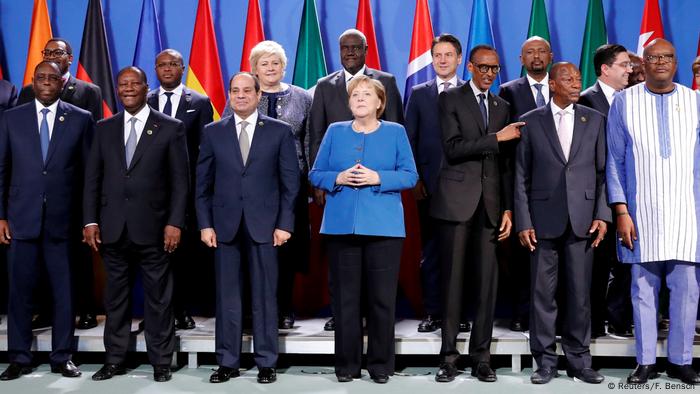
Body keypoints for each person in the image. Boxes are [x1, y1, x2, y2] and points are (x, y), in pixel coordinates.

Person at [309, 75, 417, 384]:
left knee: (382, 299)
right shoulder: (335, 131)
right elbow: (316, 174)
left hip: (384, 228)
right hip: (342, 228)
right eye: (355, 94)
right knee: (345, 301)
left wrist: (377, 178)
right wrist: (337, 178)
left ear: (380, 103)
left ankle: (381, 365)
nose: (360, 99)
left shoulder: (395, 133)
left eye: (367, 94)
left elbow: (410, 176)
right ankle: (346, 366)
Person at [84, 66, 188, 383]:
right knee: (115, 298)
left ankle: (160, 361)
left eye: (134, 83)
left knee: (158, 298)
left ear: (146, 87)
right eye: (122, 84)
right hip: (112, 227)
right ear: (117, 90)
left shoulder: (170, 127)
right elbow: (92, 179)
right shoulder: (103, 127)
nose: (128, 88)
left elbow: (181, 182)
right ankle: (115, 358)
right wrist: (89, 219)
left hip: (155, 228)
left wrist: (174, 223)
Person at [607, 38, 700, 386]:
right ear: (642, 63)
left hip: (687, 214)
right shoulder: (624, 103)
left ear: (676, 63)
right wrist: (621, 211)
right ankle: (645, 361)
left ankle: (680, 360)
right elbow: (614, 161)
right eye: (654, 57)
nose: (660, 62)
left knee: (687, 290)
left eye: (667, 57)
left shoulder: (696, 102)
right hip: (640, 214)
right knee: (642, 290)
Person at [197, 72, 299, 385]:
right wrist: (205, 224)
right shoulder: (213, 132)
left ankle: (266, 362)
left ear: (257, 95)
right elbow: (202, 184)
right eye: (235, 91)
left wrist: (284, 224)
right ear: (228, 95)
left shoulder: (280, 131)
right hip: (224, 227)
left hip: (267, 228)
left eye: (246, 91)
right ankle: (228, 361)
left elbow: (290, 183)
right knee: (227, 297)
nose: (240, 96)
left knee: (265, 296)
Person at [432, 44, 523, 383]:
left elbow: (508, 165)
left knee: (487, 284)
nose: (488, 74)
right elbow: (453, 148)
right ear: (469, 66)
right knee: (453, 283)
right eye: (482, 67)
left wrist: (509, 208)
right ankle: (448, 357)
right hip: (455, 203)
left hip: (491, 206)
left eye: (494, 69)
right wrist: (495, 137)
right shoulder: (449, 99)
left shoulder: (503, 106)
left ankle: (481, 357)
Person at [515, 62, 609, 385]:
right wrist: (523, 220)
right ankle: (544, 361)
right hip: (542, 222)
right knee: (542, 295)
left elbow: (602, 174)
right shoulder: (530, 121)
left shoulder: (595, 120)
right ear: (552, 84)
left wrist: (602, 214)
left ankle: (579, 361)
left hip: (583, 220)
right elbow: (521, 177)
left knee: (580, 295)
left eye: (578, 78)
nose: (574, 83)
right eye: (567, 78)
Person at [0, 61, 93, 381]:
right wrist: (1, 215)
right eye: (41, 78)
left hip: (63, 222)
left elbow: (88, 176)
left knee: (64, 292)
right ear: (33, 81)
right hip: (20, 219)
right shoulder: (12, 118)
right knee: (20, 292)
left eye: (53, 78)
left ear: (61, 83)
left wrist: (88, 220)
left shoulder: (81, 119)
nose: (47, 83)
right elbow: (2, 169)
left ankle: (62, 356)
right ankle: (19, 356)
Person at [309, 28, 404, 332]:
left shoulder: (386, 82)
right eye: (344, 48)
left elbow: (398, 132)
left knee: (378, 278)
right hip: (340, 197)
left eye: (355, 48)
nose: (349, 53)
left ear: (365, 50)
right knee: (341, 270)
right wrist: (323, 184)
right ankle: (342, 318)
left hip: (379, 207)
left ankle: (377, 339)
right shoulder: (325, 86)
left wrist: (380, 177)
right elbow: (315, 134)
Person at [223, 41, 312, 329]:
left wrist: (310, 180)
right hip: (251, 187)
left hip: (291, 185)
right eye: (264, 63)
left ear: (284, 66)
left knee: (285, 248)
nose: (271, 68)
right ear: (254, 69)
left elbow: (309, 140)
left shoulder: (302, 97)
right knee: (251, 246)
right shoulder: (243, 95)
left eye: (276, 63)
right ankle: (251, 311)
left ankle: (283, 309)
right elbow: (226, 138)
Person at [18, 37, 104, 331]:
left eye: (59, 52)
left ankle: (87, 309)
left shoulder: (88, 91)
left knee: (78, 257)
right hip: (35, 193)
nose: (54, 56)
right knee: (40, 259)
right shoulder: (29, 92)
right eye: (48, 52)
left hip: (73, 188)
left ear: (70, 57)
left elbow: (94, 144)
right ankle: (46, 310)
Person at [405, 33, 471, 334]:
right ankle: (432, 312)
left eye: (448, 55)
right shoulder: (419, 94)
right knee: (431, 253)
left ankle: (460, 313)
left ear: (459, 59)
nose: (442, 60)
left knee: (462, 254)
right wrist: (416, 178)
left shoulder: (471, 93)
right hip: (429, 187)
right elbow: (410, 140)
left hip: (464, 188)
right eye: (437, 55)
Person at [147, 48, 214, 329]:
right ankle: (156, 315)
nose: (167, 69)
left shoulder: (199, 102)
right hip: (149, 193)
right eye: (162, 65)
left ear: (182, 67)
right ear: (155, 68)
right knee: (152, 256)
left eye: (173, 64)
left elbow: (205, 150)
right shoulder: (145, 100)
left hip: (185, 192)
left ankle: (181, 311)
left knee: (183, 256)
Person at [498, 35, 553, 332]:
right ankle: (521, 312)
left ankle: (552, 315)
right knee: (521, 255)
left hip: (555, 185)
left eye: (541, 51)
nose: (536, 56)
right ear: (520, 59)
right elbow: (505, 143)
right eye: (529, 52)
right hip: (522, 181)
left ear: (550, 55)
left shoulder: (562, 87)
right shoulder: (508, 92)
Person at [579, 44, 633, 338]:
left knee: (626, 261)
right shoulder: (585, 101)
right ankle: (594, 324)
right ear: (605, 69)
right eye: (624, 65)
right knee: (597, 266)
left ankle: (619, 319)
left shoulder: (631, 100)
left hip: (629, 195)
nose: (630, 70)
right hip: (596, 198)